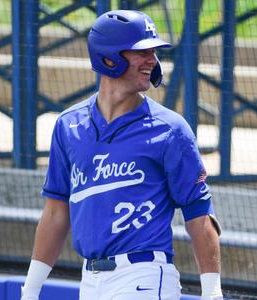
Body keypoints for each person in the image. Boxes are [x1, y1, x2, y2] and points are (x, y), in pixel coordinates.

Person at [21, 9, 223, 300]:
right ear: (108, 57)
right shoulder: (68, 125)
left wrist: (212, 292)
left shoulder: (170, 129)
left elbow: (199, 213)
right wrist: (30, 290)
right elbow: (55, 213)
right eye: (141, 51)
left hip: (144, 275)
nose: (151, 60)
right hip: (90, 280)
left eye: (153, 52)